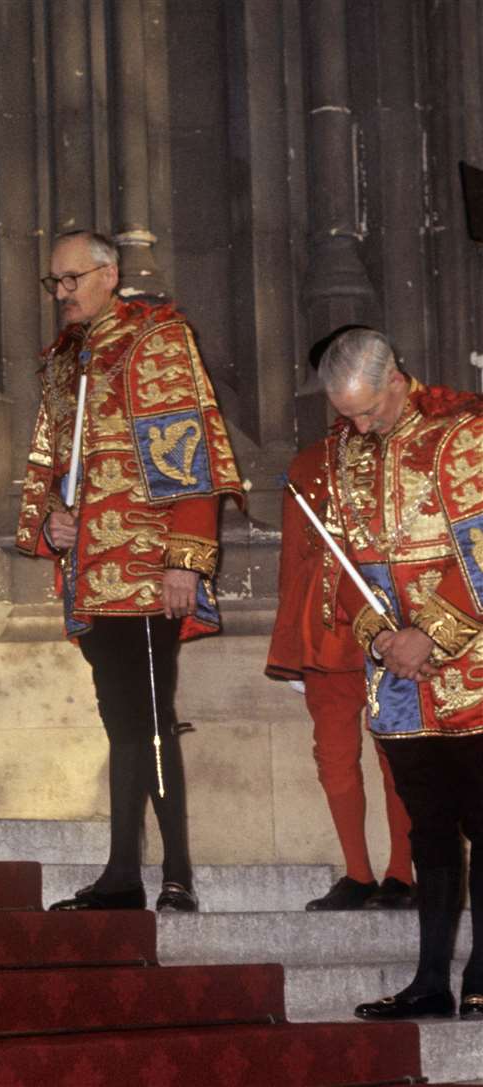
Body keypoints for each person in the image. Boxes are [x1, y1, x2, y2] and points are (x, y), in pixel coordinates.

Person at [16, 230, 243, 912]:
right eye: (54, 282)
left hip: (148, 564)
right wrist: (52, 521)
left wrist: (185, 558)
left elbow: (190, 446)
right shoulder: (62, 361)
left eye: (73, 279)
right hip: (91, 569)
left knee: (148, 716)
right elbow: (50, 462)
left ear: (110, 274)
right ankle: (121, 872)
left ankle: (176, 873)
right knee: (120, 719)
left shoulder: (156, 338)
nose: (62, 293)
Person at [311, 328, 482, 1021]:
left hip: (471, 671)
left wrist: (429, 635)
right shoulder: (342, 455)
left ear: (396, 379)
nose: (357, 427)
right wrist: (381, 637)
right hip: (401, 687)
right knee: (430, 831)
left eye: (367, 412)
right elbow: (340, 571)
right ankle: (431, 979)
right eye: (345, 415)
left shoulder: (460, 437)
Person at [266, 435, 414, 910]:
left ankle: (402, 874)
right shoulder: (307, 459)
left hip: (392, 625)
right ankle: (357, 873)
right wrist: (290, 644)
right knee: (333, 755)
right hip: (324, 632)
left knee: (400, 755)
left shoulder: (404, 450)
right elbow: (294, 558)